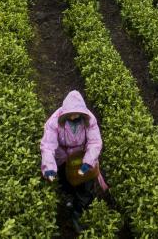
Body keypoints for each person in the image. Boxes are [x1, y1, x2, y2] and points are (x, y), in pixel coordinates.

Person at [41, 90, 107, 232]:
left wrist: (88, 162)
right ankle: (69, 201)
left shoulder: (89, 119)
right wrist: (49, 167)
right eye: (70, 113)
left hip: (81, 156)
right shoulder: (54, 121)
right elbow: (47, 145)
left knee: (85, 185)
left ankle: (78, 212)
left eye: (77, 113)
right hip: (64, 158)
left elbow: (95, 142)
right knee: (67, 183)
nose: (73, 116)